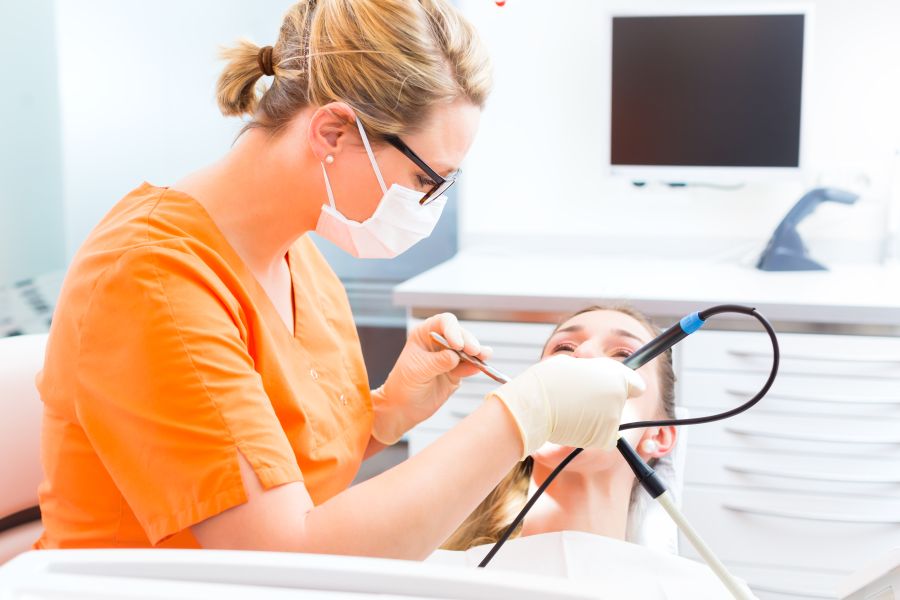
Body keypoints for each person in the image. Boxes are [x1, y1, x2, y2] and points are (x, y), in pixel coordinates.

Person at [34, 0, 645, 559]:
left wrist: (387, 412)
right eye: (427, 179)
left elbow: (281, 470)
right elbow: (281, 560)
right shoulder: (153, 279)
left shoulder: (297, 253)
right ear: (333, 133)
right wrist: (520, 417)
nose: (429, 204)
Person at [443, 305, 678, 551]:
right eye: (563, 347)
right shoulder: (439, 565)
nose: (583, 353)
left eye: (623, 353)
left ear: (659, 434)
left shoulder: (674, 588)